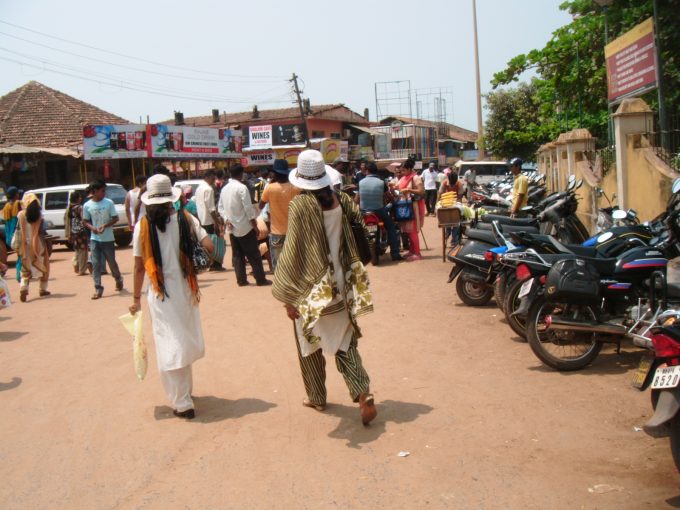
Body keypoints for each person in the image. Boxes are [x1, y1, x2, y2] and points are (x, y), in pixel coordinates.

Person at [272, 149, 377, 426]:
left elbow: (293, 251)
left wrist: (288, 298)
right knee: (345, 342)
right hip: (340, 285)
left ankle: (317, 396)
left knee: (309, 342)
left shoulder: (301, 205)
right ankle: (362, 391)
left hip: (312, 289)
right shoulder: (342, 200)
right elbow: (360, 235)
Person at [130, 174, 214, 420]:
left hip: (160, 292)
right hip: (186, 291)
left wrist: (135, 298)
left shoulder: (142, 226)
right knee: (183, 341)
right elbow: (209, 246)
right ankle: (185, 394)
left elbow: (137, 267)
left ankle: (182, 401)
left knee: (170, 344)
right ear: (171, 199)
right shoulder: (185, 218)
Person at [218, 165, 271, 287]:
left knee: (237, 255)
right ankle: (260, 279)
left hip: (231, 227)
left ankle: (241, 280)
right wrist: (255, 226)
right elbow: (248, 209)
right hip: (245, 226)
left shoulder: (224, 189)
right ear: (241, 174)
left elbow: (220, 208)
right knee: (253, 254)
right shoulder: (242, 188)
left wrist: (227, 219)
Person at [82, 180, 124, 299]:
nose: (104, 193)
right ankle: (98, 288)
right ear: (94, 191)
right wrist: (92, 228)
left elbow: (115, 218)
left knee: (111, 262)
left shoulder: (109, 203)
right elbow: (85, 221)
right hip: (94, 239)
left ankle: (118, 278)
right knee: (95, 264)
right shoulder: (87, 205)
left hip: (108, 239)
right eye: (102, 191)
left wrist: (105, 226)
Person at [357, 162, 404, 261]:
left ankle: (359, 255)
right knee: (391, 227)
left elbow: (357, 199)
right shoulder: (382, 182)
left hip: (364, 212)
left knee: (358, 230)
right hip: (379, 211)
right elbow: (389, 196)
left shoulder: (361, 182)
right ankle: (395, 254)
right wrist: (393, 200)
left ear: (367, 171)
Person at [259, 159, 299, 271]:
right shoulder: (296, 188)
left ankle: (280, 286)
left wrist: (271, 184)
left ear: (275, 173)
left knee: (278, 266)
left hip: (276, 232)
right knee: (293, 264)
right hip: (294, 231)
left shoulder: (270, 188)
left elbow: (261, 206)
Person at [12, 193, 50, 302]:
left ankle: (24, 286)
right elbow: (41, 232)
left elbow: (18, 230)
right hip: (37, 244)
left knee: (25, 268)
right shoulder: (39, 216)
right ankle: (42, 289)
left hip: (24, 245)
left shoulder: (20, 215)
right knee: (44, 266)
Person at [195, 169, 225, 272]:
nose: (214, 179)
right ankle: (215, 264)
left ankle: (209, 263)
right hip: (208, 220)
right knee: (214, 241)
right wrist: (216, 222)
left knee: (205, 242)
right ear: (208, 177)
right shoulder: (208, 189)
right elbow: (211, 208)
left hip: (202, 219)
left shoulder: (199, 188)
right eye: (213, 177)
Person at [397, 159, 426, 261]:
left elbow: (421, 191)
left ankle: (417, 253)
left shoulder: (416, 178)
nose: (402, 172)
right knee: (408, 231)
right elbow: (398, 186)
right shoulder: (404, 177)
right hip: (405, 206)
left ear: (409, 169)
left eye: (404, 170)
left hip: (414, 207)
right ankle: (412, 250)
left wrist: (409, 190)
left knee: (413, 230)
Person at [65, 191, 90, 275]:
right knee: (83, 250)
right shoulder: (80, 208)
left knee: (78, 249)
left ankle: (75, 263)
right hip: (81, 231)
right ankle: (82, 270)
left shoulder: (70, 208)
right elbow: (84, 219)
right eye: (79, 197)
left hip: (74, 231)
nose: (80, 198)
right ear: (76, 199)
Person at [438, 173, 465, 247]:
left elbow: (460, 197)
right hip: (446, 205)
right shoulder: (444, 183)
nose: (452, 185)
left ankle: (454, 240)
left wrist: (456, 206)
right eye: (451, 184)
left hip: (456, 205)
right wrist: (438, 204)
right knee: (447, 222)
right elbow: (440, 194)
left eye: (453, 184)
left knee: (456, 223)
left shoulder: (459, 184)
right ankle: (448, 232)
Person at [2, 186, 21, 280]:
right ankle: (19, 274)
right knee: (22, 255)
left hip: (9, 235)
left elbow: (6, 224)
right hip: (17, 233)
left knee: (19, 254)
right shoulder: (18, 204)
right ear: (16, 195)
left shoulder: (5, 207)